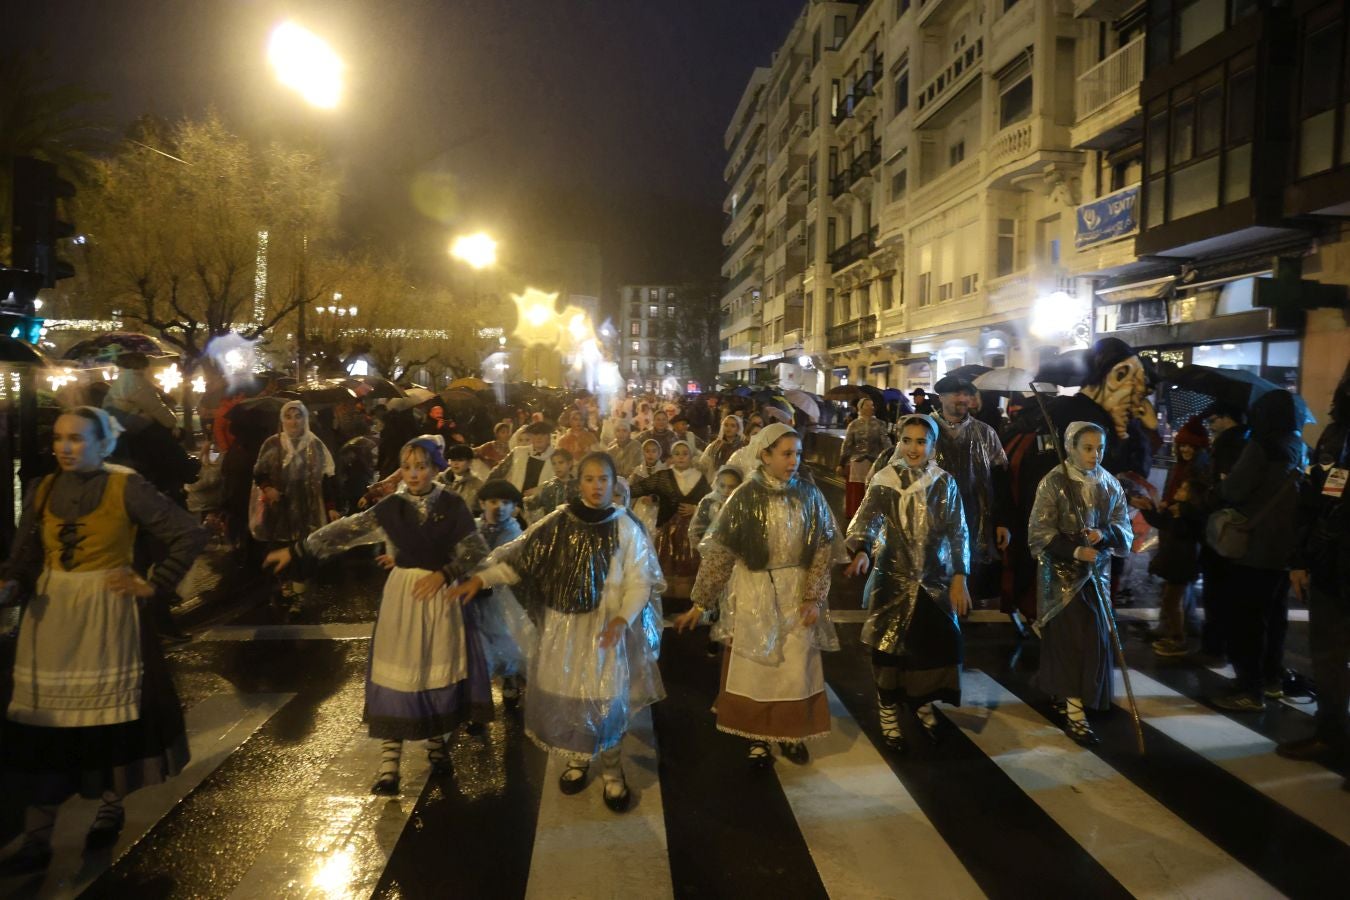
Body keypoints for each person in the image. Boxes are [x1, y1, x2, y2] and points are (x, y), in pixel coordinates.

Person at [0, 407, 207, 875]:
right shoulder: (43, 487)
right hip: (51, 619)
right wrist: (13, 585)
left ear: (101, 443)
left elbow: (188, 533)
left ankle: (109, 809)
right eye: (58, 438)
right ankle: (37, 837)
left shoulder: (124, 485)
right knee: (44, 725)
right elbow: (25, 557)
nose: (64, 447)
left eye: (75, 438)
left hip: (104, 612)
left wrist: (155, 583)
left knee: (105, 720)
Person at [263, 438, 494, 794]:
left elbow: (475, 548)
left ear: (435, 469)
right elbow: (345, 531)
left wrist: (445, 573)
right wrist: (297, 551)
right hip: (403, 597)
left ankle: (435, 745)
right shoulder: (389, 508)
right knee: (398, 671)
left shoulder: (453, 506)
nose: (414, 474)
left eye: (421, 466)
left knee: (432, 668)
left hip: (439, 597)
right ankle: (389, 764)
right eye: (407, 466)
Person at [448, 452, 666, 813]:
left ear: (615, 483)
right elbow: (519, 560)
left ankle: (612, 771)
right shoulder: (557, 523)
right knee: (569, 696)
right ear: (578, 483)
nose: (596, 486)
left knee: (605, 698)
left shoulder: (625, 525)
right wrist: (481, 578)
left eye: (603, 479)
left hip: (604, 628)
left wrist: (622, 619)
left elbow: (639, 581)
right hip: (565, 630)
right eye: (589, 479)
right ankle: (578, 758)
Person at [676, 424, 841, 768]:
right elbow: (720, 554)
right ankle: (757, 737)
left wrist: (813, 596)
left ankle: (792, 732)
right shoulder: (745, 497)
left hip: (796, 593)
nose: (793, 461)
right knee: (757, 668)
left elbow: (824, 548)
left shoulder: (809, 495)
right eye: (786, 454)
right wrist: (701, 603)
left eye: (797, 453)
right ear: (765, 456)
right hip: (754, 592)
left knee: (795, 669)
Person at [845, 414, 970, 752]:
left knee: (930, 647)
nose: (914, 448)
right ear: (899, 442)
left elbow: (957, 532)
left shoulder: (944, 483)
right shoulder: (885, 480)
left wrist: (959, 576)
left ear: (932, 446)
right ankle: (888, 711)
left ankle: (921, 700)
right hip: (892, 579)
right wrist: (860, 551)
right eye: (908, 440)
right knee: (889, 649)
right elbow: (866, 518)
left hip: (934, 581)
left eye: (921, 441)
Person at [1027, 421, 1133, 746]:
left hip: (1096, 577)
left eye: (1099, 448)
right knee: (1070, 641)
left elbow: (1122, 526)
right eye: (1087, 448)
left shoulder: (1110, 483)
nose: (1095, 455)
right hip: (1061, 580)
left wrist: (1104, 535)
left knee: (1094, 640)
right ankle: (1074, 708)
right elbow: (1040, 532)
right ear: (1071, 447)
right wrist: (1073, 548)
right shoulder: (1054, 482)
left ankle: (1080, 695)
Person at [1211, 390, 1304, 712]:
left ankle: (1250, 689)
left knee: (1247, 619)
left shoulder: (1261, 446)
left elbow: (1235, 489)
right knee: (1275, 617)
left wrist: (1222, 483)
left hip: (1256, 547)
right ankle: (1272, 679)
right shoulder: (1298, 445)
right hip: (1286, 548)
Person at [879, 376, 1007, 610]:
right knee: (929, 578)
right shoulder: (922, 431)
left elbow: (999, 480)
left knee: (969, 572)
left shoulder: (985, 433)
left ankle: (963, 624)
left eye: (967, 394)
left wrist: (1001, 521)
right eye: (957, 394)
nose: (963, 399)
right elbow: (896, 477)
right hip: (927, 521)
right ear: (941, 398)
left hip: (973, 517)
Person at [1278, 372, 1350, 772]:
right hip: (1331, 562)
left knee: (1330, 656)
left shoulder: (1337, 434)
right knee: (1328, 656)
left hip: (1332, 560)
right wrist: (1302, 560)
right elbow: (1315, 500)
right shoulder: (1337, 436)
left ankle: (1332, 736)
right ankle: (1331, 734)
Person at [251, 401, 339, 603]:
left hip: (308, 509)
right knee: (281, 547)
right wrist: (268, 488)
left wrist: (331, 507)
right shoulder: (272, 444)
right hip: (279, 509)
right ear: (282, 420)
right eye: (288, 417)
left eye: (298, 416)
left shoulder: (315, 445)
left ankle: (299, 596)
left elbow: (327, 479)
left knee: (303, 552)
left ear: (305, 418)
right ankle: (285, 588)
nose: (293, 421)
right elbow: (259, 472)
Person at [1192, 402, 1249, 663]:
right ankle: (1220, 645)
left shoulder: (1229, 445)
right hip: (1233, 528)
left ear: (1229, 418)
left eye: (1214, 419)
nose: (1211, 425)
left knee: (1217, 593)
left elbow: (1223, 488)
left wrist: (1204, 496)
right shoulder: (1248, 441)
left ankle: (1215, 648)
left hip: (1220, 527)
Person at [470, 479, 535, 709]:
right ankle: (478, 702)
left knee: (506, 641)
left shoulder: (515, 532)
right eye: (493, 501)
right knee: (477, 646)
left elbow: (509, 566)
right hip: (472, 596)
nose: (500, 507)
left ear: (515, 507)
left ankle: (509, 679)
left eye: (506, 502)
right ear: (482, 503)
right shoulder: (473, 527)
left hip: (500, 598)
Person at [630, 441, 711, 600]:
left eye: (684, 453)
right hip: (667, 534)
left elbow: (711, 502)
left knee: (688, 569)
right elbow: (635, 489)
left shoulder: (699, 478)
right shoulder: (663, 476)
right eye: (677, 454)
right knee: (667, 569)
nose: (681, 457)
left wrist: (696, 509)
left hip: (691, 534)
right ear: (672, 457)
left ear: (691, 456)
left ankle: (687, 608)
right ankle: (667, 606)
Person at [837, 397, 892, 520]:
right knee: (857, 492)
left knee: (872, 489)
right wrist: (841, 463)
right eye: (867, 405)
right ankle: (855, 516)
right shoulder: (854, 424)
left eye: (872, 405)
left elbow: (886, 443)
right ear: (860, 408)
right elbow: (847, 445)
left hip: (874, 463)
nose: (870, 408)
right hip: (857, 463)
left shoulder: (879, 424)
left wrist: (890, 458)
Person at [487, 420, 555, 500]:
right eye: (535, 434)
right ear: (532, 437)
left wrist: (542, 489)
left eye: (543, 434)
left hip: (542, 506)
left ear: (548, 437)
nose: (539, 438)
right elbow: (497, 473)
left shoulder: (556, 456)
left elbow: (563, 481)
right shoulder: (518, 452)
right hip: (514, 502)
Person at [524, 448, 578, 524]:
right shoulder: (548, 486)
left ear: (569, 463)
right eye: (554, 463)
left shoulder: (578, 486)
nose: (557, 467)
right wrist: (530, 500)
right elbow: (534, 511)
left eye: (561, 462)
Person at [628, 438, 667, 535]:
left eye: (654, 451)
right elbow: (631, 490)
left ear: (659, 453)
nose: (650, 454)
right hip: (640, 509)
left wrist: (655, 499)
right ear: (643, 453)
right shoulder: (637, 472)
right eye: (647, 451)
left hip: (657, 511)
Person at [441, 443, 484, 513]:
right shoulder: (440, 480)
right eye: (453, 460)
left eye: (460, 460)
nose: (456, 463)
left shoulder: (477, 485)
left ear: (470, 462)